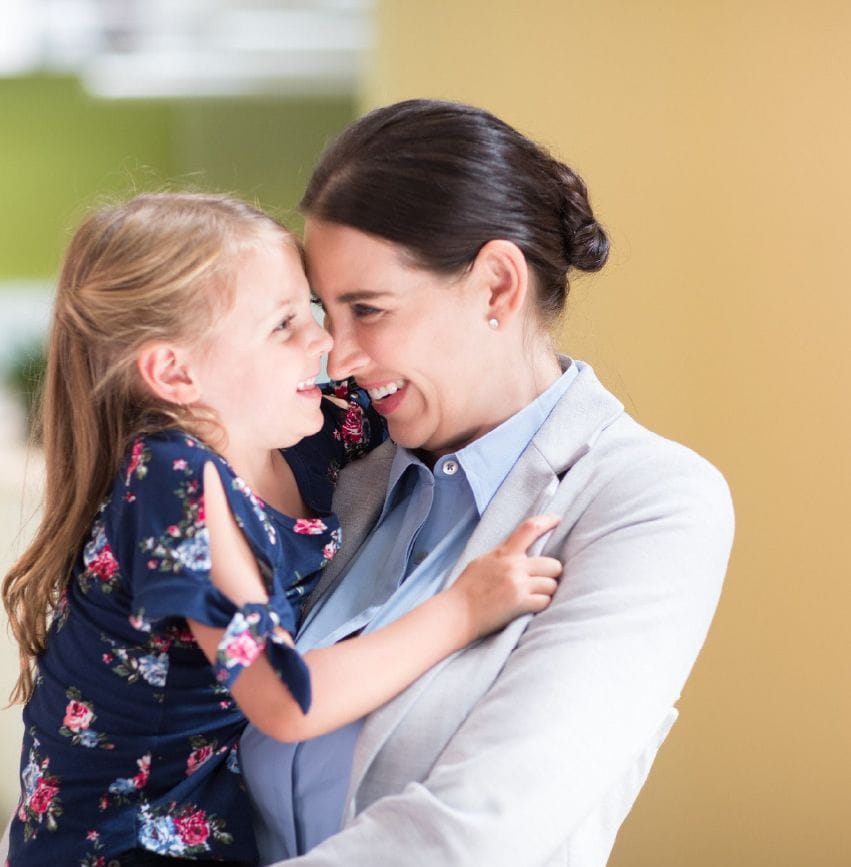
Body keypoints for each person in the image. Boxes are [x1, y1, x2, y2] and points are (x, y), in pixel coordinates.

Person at [0, 193, 563, 866]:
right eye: (283, 325)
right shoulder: (172, 482)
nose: (325, 341)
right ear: (175, 371)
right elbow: (283, 696)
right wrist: (463, 607)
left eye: (314, 311)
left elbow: (453, 386)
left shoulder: (308, 431)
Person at [239, 100, 735, 866]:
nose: (334, 358)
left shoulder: (649, 503)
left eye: (366, 309)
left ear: (498, 286)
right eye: (321, 314)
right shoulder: (334, 471)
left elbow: (475, 836)